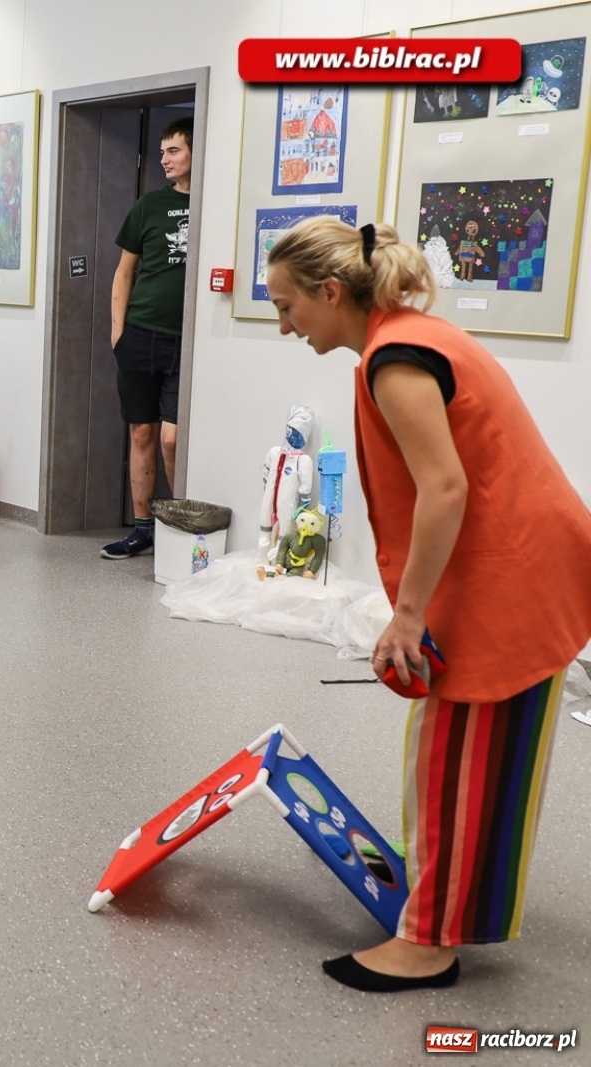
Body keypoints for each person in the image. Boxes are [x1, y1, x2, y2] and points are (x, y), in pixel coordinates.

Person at [264, 216, 591, 992]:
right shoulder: (408, 337)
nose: (282, 324)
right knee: (477, 754)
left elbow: (445, 487)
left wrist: (407, 615)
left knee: (458, 757)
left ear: (332, 293)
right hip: (519, 562)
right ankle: (448, 906)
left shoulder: (396, 359)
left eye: (286, 306)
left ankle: (430, 941)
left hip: (510, 573)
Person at [104, 116, 193, 560]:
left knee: (174, 438)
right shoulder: (149, 206)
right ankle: (143, 529)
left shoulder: (214, 204)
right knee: (142, 433)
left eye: (174, 150)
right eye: (161, 152)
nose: (164, 160)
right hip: (140, 335)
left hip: (187, 344)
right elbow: (124, 273)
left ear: (196, 151)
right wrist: (118, 333)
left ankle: (180, 526)